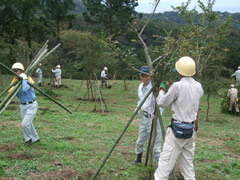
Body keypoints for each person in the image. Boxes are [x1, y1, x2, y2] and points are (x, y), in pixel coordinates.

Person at [154, 56, 204, 180]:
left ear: (180, 72)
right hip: (191, 130)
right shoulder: (198, 86)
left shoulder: (177, 86)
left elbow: (162, 102)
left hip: (177, 130)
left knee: (164, 166)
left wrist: (162, 89)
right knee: (188, 166)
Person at [134, 66, 162, 164]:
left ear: (150, 77)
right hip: (144, 117)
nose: (144, 78)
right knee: (140, 139)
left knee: (156, 141)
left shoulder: (154, 87)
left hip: (153, 117)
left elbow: (161, 101)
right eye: (143, 76)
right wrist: (137, 111)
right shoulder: (140, 87)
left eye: (146, 76)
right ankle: (138, 158)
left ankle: (158, 162)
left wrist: (158, 114)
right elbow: (140, 100)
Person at [10, 63, 40, 145]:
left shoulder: (27, 79)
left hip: (31, 105)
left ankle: (28, 140)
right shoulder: (15, 80)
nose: (15, 72)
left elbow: (25, 89)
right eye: (14, 71)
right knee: (28, 123)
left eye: (17, 71)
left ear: (21, 71)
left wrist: (24, 80)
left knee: (25, 124)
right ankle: (36, 138)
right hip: (23, 105)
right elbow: (12, 92)